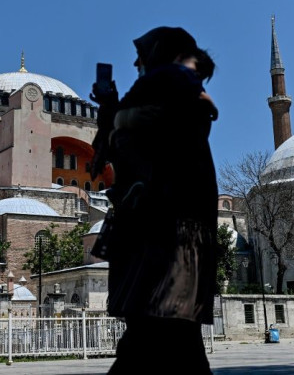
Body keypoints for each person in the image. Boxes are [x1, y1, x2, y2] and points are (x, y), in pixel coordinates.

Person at [90, 26, 218, 373]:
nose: (136, 62)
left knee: (157, 339)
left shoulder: (175, 87)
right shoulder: (175, 92)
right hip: (165, 232)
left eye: (142, 56)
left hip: (168, 235)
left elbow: (146, 146)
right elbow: (134, 148)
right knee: (171, 342)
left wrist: (117, 118)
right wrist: (111, 113)